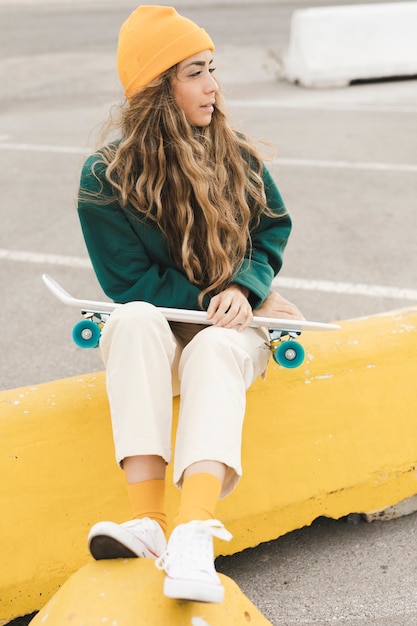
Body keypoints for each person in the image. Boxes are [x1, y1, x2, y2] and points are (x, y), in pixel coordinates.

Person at [77, 5, 303, 605]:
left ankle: (193, 532)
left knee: (215, 350)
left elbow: (270, 229)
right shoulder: (105, 178)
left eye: (213, 69)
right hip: (171, 322)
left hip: (231, 327)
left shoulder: (235, 154)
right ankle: (148, 523)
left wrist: (246, 289)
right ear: (158, 87)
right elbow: (128, 281)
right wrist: (210, 296)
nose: (213, 86)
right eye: (196, 72)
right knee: (129, 320)